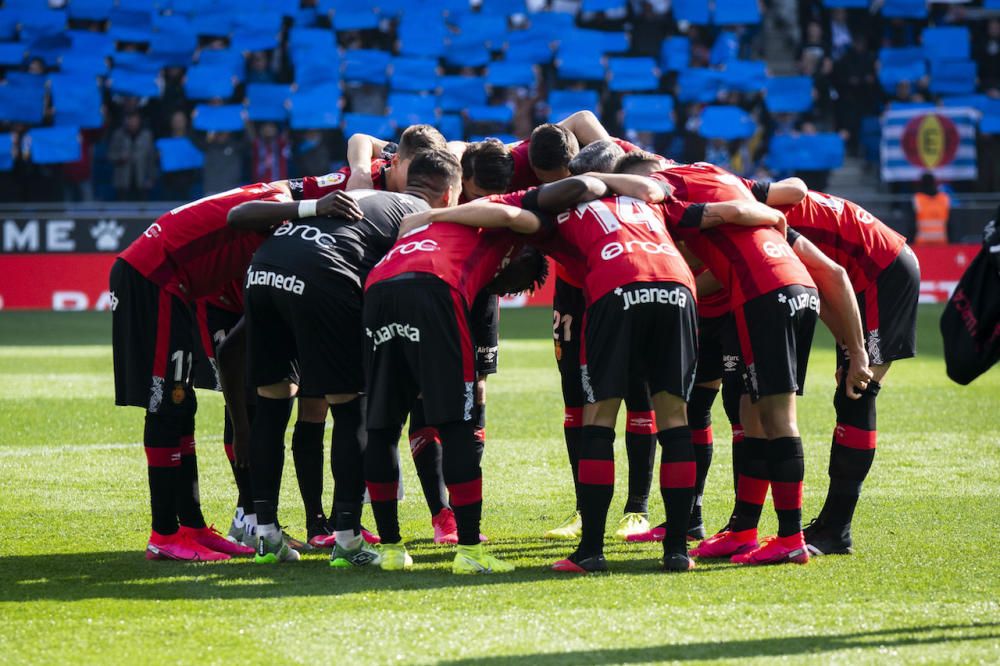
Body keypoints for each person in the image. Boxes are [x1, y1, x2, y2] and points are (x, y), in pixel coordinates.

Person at [618, 153, 872, 566]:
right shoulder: (720, 178)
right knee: (752, 414)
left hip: (764, 293)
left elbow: (721, 211)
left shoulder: (675, 199)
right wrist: (771, 218)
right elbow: (823, 266)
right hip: (791, 288)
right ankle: (744, 531)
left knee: (777, 418)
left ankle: (789, 537)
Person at [226, 149, 459, 565]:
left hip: (264, 269)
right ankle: (348, 537)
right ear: (448, 194)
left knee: (273, 403)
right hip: (323, 272)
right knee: (352, 407)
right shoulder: (423, 215)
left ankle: (265, 534)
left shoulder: (365, 194)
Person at [359, 171, 591, 574]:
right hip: (434, 288)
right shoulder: (506, 230)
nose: (499, 289)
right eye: (509, 283)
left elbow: (426, 224)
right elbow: (527, 215)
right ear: (517, 259)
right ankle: (469, 550)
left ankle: (392, 549)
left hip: (379, 286)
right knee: (458, 423)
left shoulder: (444, 222)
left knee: (381, 423)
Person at [784, 190, 920, 555]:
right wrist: (848, 346)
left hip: (881, 273)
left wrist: (854, 349)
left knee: (857, 391)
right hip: (867, 272)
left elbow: (825, 282)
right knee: (849, 390)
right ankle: (831, 525)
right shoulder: (759, 201)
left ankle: (837, 529)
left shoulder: (763, 220)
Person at [912, 172, 950, 245]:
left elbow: (912, 223)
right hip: (941, 242)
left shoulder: (917, 199)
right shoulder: (944, 198)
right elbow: (950, 223)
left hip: (922, 243)